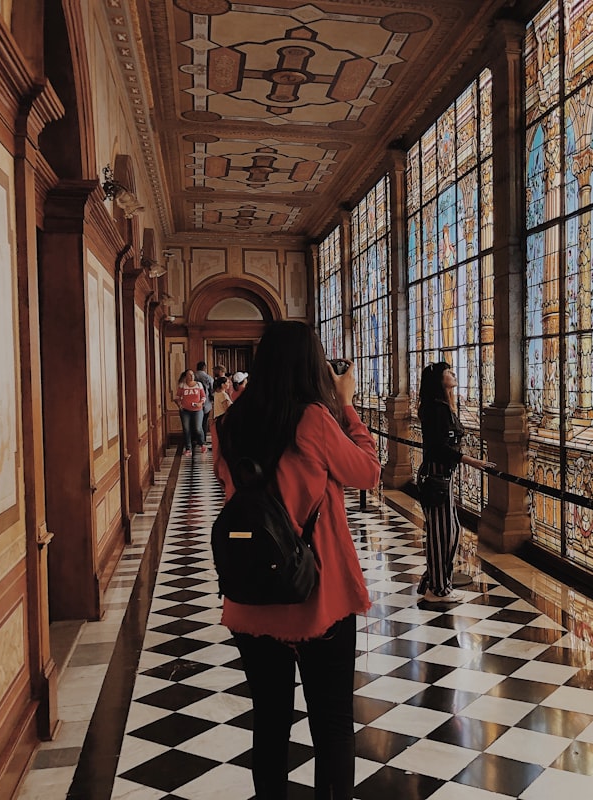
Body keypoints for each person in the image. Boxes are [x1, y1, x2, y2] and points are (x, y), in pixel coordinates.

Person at [215, 321, 380, 800]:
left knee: (269, 723)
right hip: (315, 595)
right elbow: (367, 471)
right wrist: (345, 403)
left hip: (251, 594)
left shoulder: (228, 423)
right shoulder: (312, 419)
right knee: (330, 725)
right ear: (313, 366)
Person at [416, 362, 494, 603]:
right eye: (448, 372)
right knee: (443, 534)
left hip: (442, 477)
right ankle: (437, 590)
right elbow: (439, 448)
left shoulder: (442, 406)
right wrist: (470, 460)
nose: (453, 374)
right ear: (439, 381)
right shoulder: (436, 409)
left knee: (450, 531)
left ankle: (437, 583)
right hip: (436, 477)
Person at [174, 369, 206, 455]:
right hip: (185, 411)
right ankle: (188, 448)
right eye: (189, 375)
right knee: (186, 429)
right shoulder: (182, 386)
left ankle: (202, 443)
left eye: (192, 374)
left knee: (198, 428)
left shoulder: (199, 385)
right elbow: (177, 397)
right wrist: (180, 405)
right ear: (186, 376)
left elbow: (203, 397)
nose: (192, 376)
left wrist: (200, 403)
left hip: (197, 410)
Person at [210, 376, 232, 483]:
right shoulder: (223, 395)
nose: (229, 384)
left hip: (218, 420)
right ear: (223, 385)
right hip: (223, 420)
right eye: (227, 383)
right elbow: (227, 409)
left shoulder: (217, 394)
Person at [195, 361, 214, 441]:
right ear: (204, 367)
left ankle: (195, 439)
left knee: (195, 422)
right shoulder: (208, 377)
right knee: (204, 421)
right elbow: (212, 389)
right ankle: (203, 440)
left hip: (195, 403)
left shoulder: (193, 376)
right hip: (206, 403)